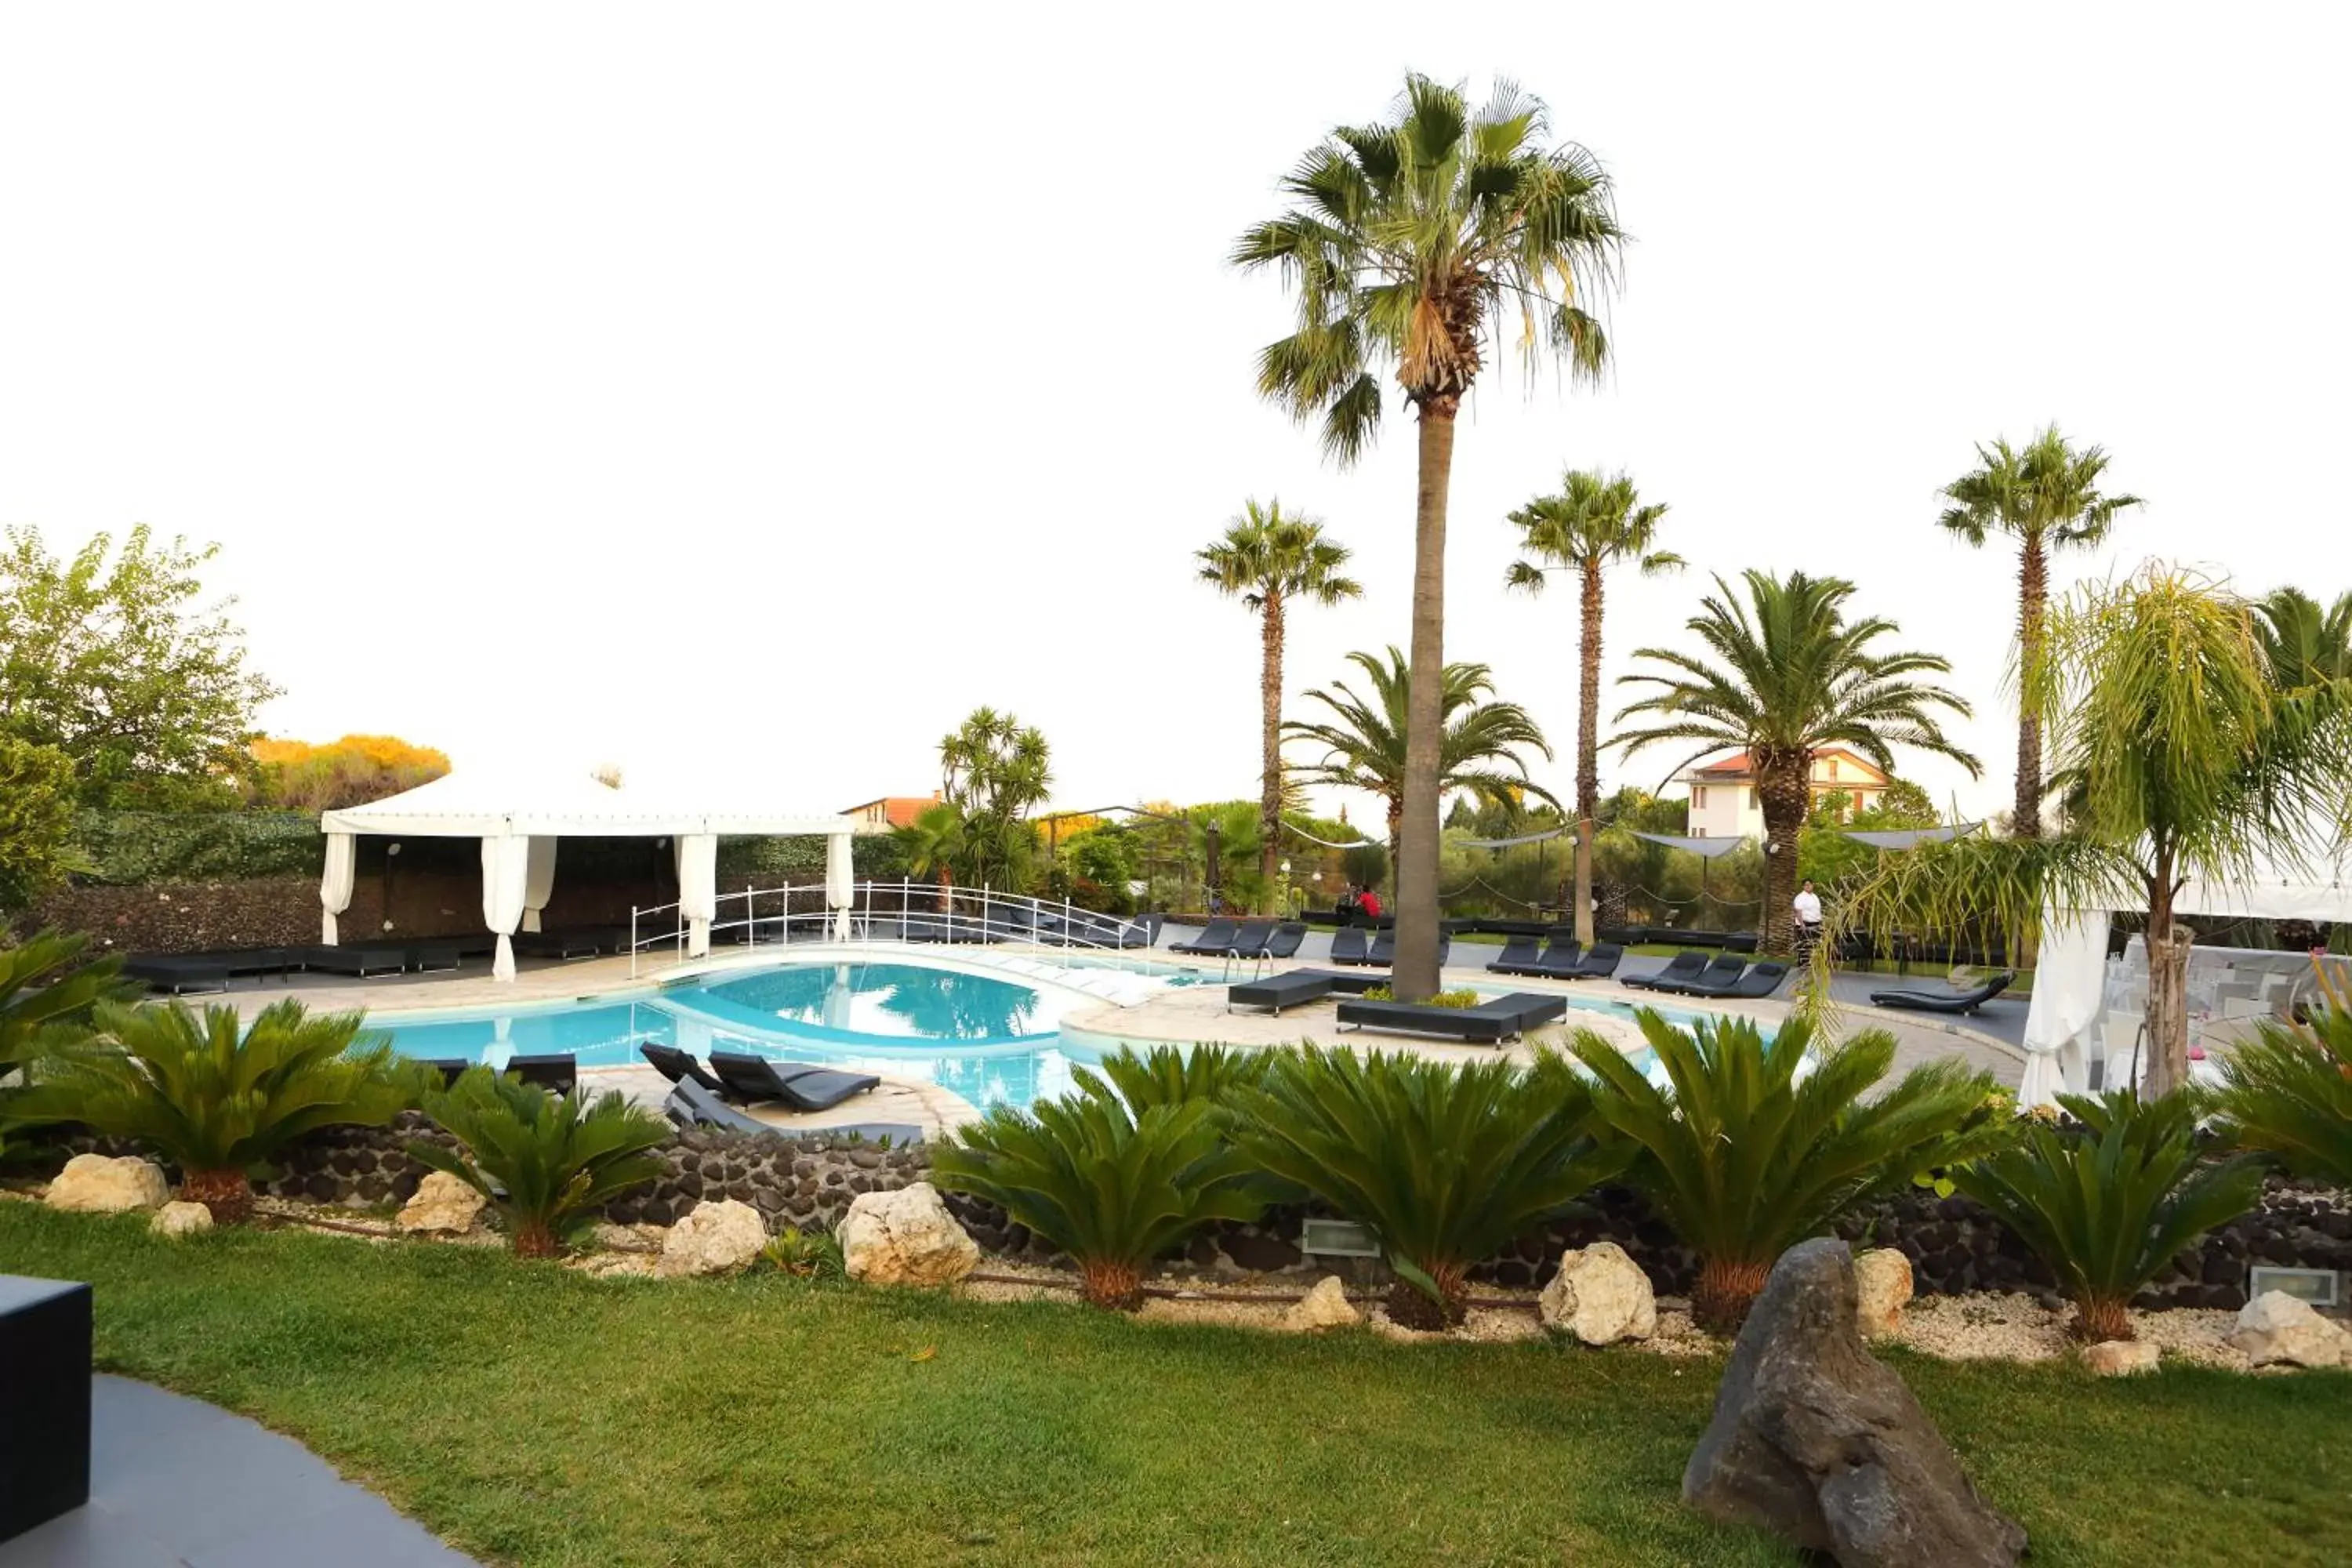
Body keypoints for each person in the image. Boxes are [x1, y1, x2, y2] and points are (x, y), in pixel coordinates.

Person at [1791, 879, 1824, 956]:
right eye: (1806, 885)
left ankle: (1812, 964)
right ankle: (1803, 964)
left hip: (1816, 924)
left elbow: (1817, 911)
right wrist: (1802, 925)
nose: (1808, 886)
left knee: (1815, 945)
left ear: (1813, 885)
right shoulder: (1801, 897)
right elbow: (1798, 911)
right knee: (1805, 946)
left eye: (1810, 884)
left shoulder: (1815, 897)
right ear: (1803, 887)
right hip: (1805, 924)